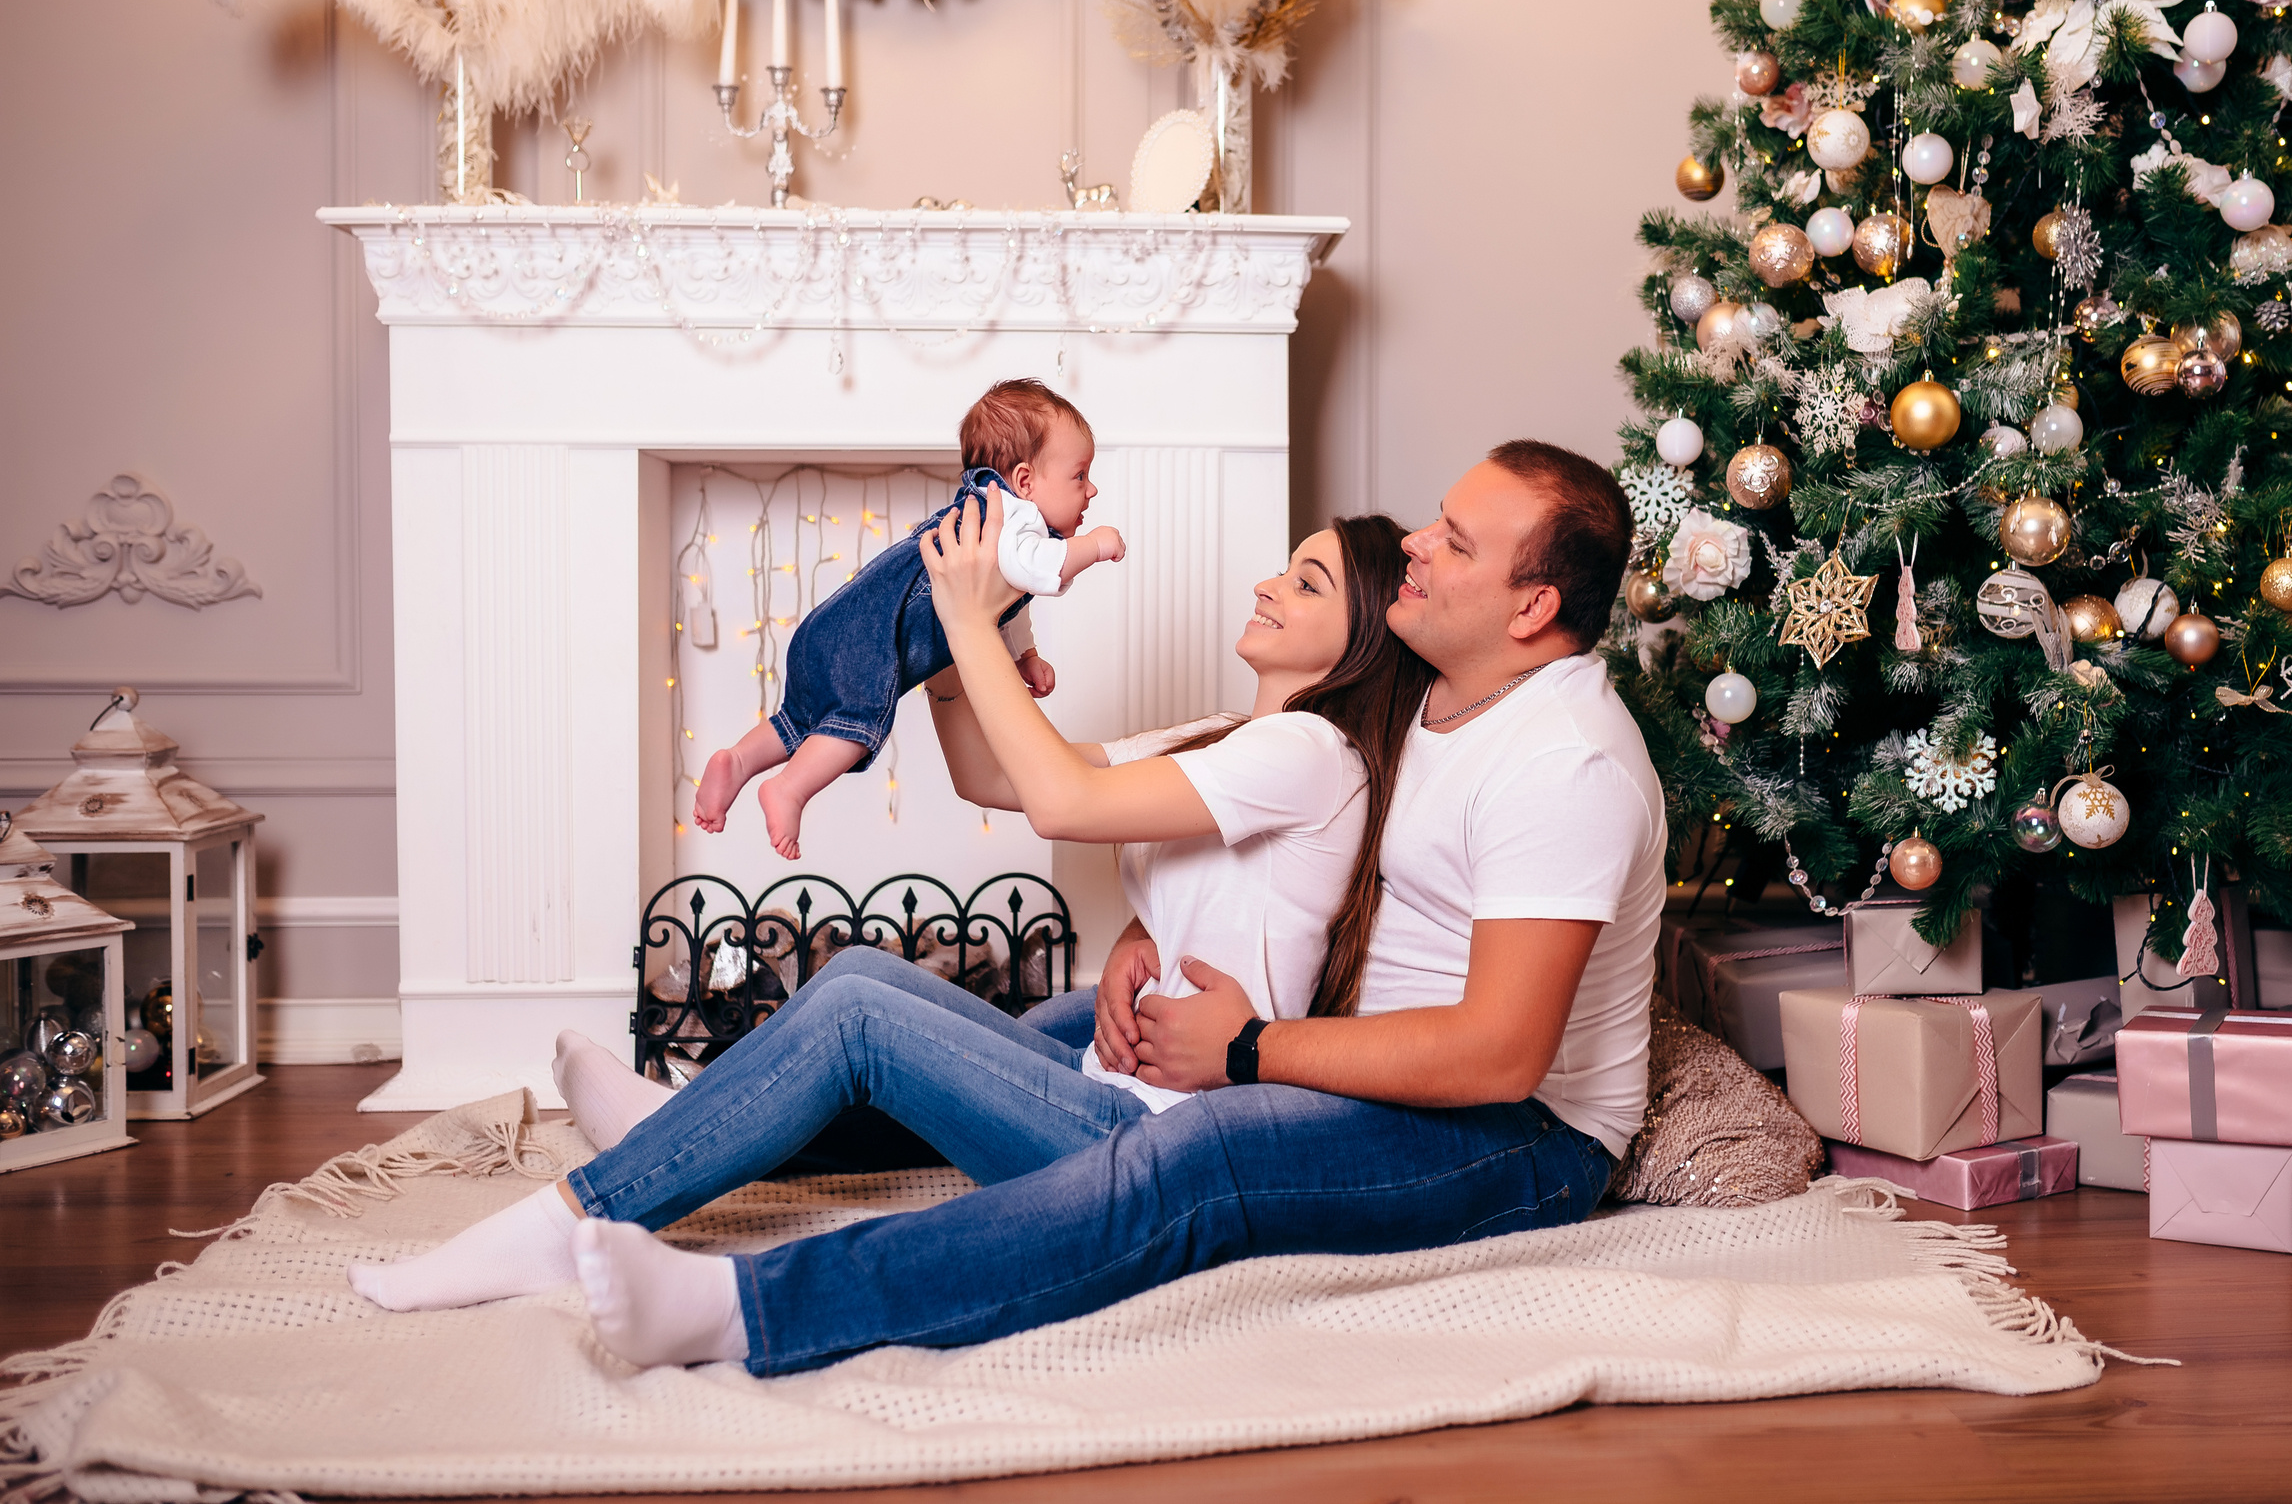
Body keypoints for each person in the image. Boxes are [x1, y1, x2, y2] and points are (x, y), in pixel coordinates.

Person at [366, 441, 1663, 1383]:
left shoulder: (1566, 762)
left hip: (1519, 1134)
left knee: (1178, 1156)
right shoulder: (1423, 705)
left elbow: (1500, 1053)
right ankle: (694, 1132)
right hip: (1381, 1066)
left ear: (1535, 607)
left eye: (1452, 542)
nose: (1418, 554)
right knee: (1056, 1010)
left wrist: (1251, 1048)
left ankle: (730, 1303)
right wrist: (940, 665)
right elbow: (1123, 804)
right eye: (1428, 526)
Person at [690, 378, 1127, 859]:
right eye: (1079, 475)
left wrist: (1025, 654)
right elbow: (1034, 569)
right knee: (853, 726)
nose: (1091, 489)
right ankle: (789, 789)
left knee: (802, 719)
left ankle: (737, 760)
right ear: (1024, 481)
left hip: (833, 628)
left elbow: (1006, 598)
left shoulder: (987, 520)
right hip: (870, 643)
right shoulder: (1014, 517)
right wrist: (1095, 545)